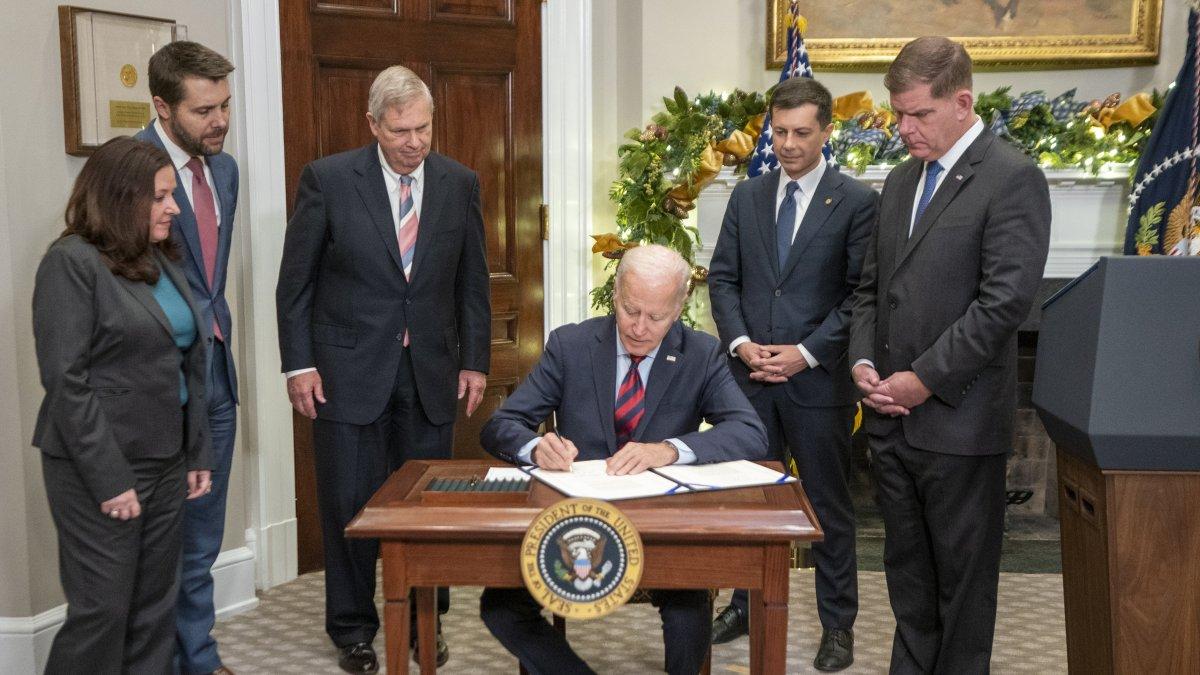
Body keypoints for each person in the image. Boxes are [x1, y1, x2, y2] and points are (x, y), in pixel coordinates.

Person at [276, 65, 490, 673]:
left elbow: (471, 282)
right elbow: (296, 284)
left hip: (429, 371)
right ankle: (353, 630)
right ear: (373, 125)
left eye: (423, 128)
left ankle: (427, 624)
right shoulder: (328, 180)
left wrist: (475, 361)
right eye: (401, 131)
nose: (415, 142)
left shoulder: (458, 182)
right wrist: (300, 365)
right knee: (349, 502)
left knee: (430, 504)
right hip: (345, 372)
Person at [848, 37, 1050, 673]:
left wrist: (922, 381)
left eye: (918, 115)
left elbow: (1003, 305)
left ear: (962, 102)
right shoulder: (901, 179)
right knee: (907, 581)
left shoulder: (1012, 178)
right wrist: (862, 365)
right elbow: (870, 291)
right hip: (889, 423)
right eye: (897, 114)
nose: (902, 129)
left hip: (958, 426)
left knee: (962, 592)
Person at [479, 244, 768, 675]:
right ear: (615, 293)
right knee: (499, 606)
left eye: (656, 317)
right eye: (630, 310)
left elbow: (750, 432)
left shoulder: (701, 354)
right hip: (576, 523)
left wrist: (669, 450)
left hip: (663, 528)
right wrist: (535, 447)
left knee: (689, 603)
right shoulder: (571, 345)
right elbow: (501, 425)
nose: (638, 327)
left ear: (679, 307)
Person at [707, 76, 877, 671]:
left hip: (817, 383)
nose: (788, 144)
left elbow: (861, 295)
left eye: (801, 133)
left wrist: (805, 352)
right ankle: (743, 607)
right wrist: (742, 341)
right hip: (749, 382)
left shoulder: (856, 202)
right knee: (748, 500)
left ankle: (838, 625)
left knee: (828, 507)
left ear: (827, 132)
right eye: (778, 132)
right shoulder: (747, 197)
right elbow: (723, 278)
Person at [32, 136, 214, 674]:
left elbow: (189, 363)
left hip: (166, 458)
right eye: (160, 197)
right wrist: (111, 479)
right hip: (100, 465)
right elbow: (67, 381)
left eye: (172, 195)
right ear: (120, 197)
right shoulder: (70, 264)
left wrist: (196, 451)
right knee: (103, 612)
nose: (173, 207)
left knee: (154, 609)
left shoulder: (158, 257)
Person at [135, 40, 239, 675]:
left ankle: (198, 660)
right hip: (157, 387)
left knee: (202, 541)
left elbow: (209, 282)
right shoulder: (130, 170)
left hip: (216, 379)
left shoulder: (223, 169)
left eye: (225, 106)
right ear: (161, 107)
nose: (219, 121)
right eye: (204, 111)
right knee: (158, 545)